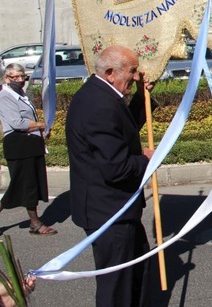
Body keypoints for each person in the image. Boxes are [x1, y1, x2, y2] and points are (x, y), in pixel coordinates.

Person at [66, 45, 155, 306]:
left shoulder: (102, 96)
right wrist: (146, 160)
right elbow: (116, 167)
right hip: (109, 213)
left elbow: (121, 131)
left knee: (136, 272)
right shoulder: (99, 105)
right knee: (117, 286)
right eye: (132, 71)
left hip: (117, 209)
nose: (137, 76)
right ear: (109, 72)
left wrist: (140, 98)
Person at [0, 64, 56, 235]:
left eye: (21, 77)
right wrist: (41, 125)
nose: (18, 80)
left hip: (30, 144)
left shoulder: (21, 94)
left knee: (30, 185)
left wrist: (41, 129)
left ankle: (35, 222)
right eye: (14, 77)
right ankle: (35, 223)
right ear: (6, 78)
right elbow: (18, 123)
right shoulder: (4, 96)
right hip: (18, 145)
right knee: (22, 185)